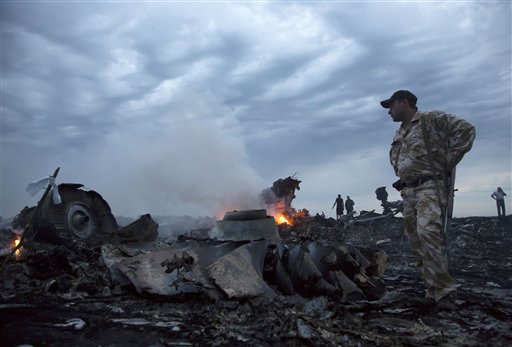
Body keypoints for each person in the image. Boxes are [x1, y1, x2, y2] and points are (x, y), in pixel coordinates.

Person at [381, 90, 475, 310]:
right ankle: (432, 292)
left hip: (429, 187)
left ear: (404, 102)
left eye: (391, 106)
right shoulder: (400, 133)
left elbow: (466, 130)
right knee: (417, 241)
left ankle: (445, 294)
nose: (389, 111)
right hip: (409, 192)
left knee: (428, 234)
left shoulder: (431, 119)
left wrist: (447, 163)